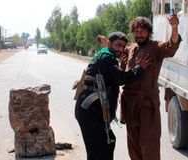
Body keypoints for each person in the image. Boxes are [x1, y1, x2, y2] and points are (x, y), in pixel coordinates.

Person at [99, 14, 181, 160]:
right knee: (134, 145)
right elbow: (117, 50)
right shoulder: (130, 49)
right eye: (136, 31)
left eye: (142, 31)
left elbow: (171, 46)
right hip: (130, 105)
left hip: (147, 106)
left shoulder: (156, 47)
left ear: (149, 32)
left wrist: (174, 28)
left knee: (149, 145)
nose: (139, 34)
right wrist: (107, 43)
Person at [74, 31, 152, 160]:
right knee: (99, 150)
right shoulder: (107, 58)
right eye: (118, 45)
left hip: (92, 111)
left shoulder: (106, 54)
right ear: (109, 44)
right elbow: (121, 78)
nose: (120, 49)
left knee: (107, 143)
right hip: (90, 112)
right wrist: (139, 68)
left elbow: (112, 77)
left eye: (122, 46)